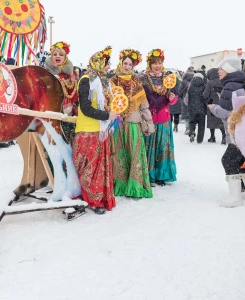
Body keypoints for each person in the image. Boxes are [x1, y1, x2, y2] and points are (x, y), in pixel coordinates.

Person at [72, 46, 118, 214]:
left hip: (99, 130)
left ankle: (97, 198)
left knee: (98, 168)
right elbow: (85, 108)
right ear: (98, 63)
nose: (108, 67)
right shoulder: (87, 80)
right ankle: (91, 200)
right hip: (88, 131)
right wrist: (107, 115)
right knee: (89, 169)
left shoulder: (102, 80)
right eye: (107, 63)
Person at [209, 57, 245, 207]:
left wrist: (213, 108)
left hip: (236, 132)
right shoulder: (237, 84)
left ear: (229, 70)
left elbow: (228, 112)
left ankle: (235, 197)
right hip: (244, 132)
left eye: (221, 68)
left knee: (228, 160)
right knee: (241, 160)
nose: (219, 71)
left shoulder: (230, 85)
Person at [110, 49, 154, 197]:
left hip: (133, 124)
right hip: (117, 124)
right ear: (120, 63)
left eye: (130, 64)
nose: (127, 66)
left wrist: (148, 125)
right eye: (125, 63)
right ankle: (121, 185)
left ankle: (135, 187)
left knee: (134, 155)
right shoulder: (112, 82)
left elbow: (144, 106)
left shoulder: (136, 83)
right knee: (119, 156)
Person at [140, 48, 178, 186]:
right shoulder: (142, 79)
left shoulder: (168, 79)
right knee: (149, 147)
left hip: (163, 119)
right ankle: (149, 175)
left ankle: (162, 174)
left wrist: (172, 98)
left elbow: (174, 98)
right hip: (148, 119)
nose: (157, 65)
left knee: (162, 148)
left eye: (160, 62)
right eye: (154, 63)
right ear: (149, 64)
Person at [43, 41, 79, 143]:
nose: (57, 56)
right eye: (54, 54)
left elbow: (75, 95)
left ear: (65, 57)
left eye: (61, 54)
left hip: (69, 116)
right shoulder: (46, 73)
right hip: (51, 116)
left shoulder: (72, 76)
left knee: (68, 144)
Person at [203, 68, 225, 144]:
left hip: (212, 103)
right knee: (221, 121)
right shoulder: (223, 81)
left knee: (212, 121)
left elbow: (205, 94)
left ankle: (212, 137)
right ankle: (224, 137)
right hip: (222, 103)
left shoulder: (210, 83)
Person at [185, 72, 207, 143]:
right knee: (201, 124)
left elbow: (183, 94)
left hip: (191, 107)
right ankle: (199, 139)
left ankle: (192, 132)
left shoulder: (189, 85)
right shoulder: (204, 86)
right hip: (202, 108)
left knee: (192, 121)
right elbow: (206, 96)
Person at [179, 67, 194, 135]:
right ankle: (192, 128)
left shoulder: (183, 82)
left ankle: (187, 128)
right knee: (191, 114)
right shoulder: (195, 80)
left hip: (185, 100)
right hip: (193, 100)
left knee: (186, 115)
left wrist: (183, 96)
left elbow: (180, 91)